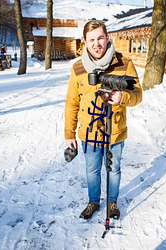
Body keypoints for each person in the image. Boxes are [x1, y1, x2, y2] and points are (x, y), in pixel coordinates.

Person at [64, 20, 142, 220]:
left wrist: (122, 97)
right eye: (91, 40)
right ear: (85, 42)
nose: (96, 43)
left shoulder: (124, 63)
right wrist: (69, 134)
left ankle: (113, 202)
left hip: (115, 131)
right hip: (89, 133)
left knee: (113, 168)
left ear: (107, 38)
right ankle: (93, 202)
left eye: (100, 38)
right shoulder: (78, 68)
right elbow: (72, 102)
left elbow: (138, 95)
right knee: (92, 170)